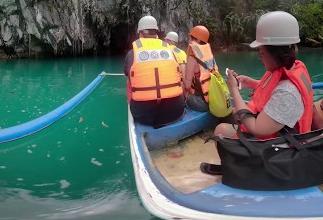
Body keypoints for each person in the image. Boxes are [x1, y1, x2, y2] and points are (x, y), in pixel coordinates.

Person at [201, 11, 314, 176]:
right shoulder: (292, 66)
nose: (260, 58)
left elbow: (257, 129)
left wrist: (234, 89)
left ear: (277, 54)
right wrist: (251, 83)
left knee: (221, 130)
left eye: (262, 53)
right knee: (233, 113)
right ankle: (238, 161)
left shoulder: (288, 92)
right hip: (279, 127)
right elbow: (270, 88)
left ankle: (234, 169)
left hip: (283, 146)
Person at [123, 15, 185, 127]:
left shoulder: (132, 53)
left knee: (129, 80)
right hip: (175, 112)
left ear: (139, 33)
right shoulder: (170, 51)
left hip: (144, 116)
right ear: (156, 33)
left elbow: (127, 74)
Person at [183, 25, 218, 113]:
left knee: (179, 87)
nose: (189, 40)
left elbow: (187, 86)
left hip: (202, 103)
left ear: (197, 40)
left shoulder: (192, 57)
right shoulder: (208, 54)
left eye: (191, 38)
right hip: (214, 100)